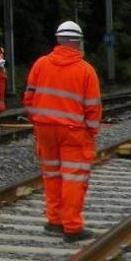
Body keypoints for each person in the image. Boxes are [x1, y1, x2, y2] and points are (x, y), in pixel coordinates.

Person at [24, 21, 102, 244]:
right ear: (78, 42)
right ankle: (72, 227)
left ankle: (54, 221)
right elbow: (93, 107)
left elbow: (29, 97)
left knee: (51, 175)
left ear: (58, 40)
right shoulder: (86, 70)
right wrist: (92, 131)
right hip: (73, 132)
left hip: (45, 130)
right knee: (73, 179)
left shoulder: (41, 64)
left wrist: (37, 121)